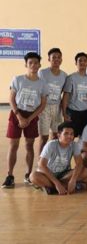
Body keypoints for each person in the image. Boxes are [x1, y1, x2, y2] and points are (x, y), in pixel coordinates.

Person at [3, 52, 49, 188]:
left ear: (39, 65)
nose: (33, 65)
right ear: (26, 65)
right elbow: (11, 99)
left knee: (29, 145)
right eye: (30, 63)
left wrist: (29, 118)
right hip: (17, 113)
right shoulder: (18, 79)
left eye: (36, 63)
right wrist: (19, 116)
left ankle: (28, 174)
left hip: (32, 115)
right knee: (14, 145)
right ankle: (10, 175)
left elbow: (42, 104)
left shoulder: (42, 84)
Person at [29, 122, 87, 195]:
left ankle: (51, 188)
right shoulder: (51, 145)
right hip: (48, 174)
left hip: (64, 174)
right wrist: (57, 183)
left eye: (71, 134)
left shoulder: (74, 145)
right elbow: (41, 165)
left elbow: (79, 164)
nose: (69, 136)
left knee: (85, 171)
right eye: (66, 133)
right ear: (59, 135)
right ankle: (65, 186)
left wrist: (73, 180)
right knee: (33, 176)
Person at [37, 48, 67, 153]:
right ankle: (40, 162)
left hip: (57, 108)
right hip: (44, 108)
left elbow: (63, 93)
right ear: (49, 59)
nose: (56, 59)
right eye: (54, 57)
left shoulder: (64, 75)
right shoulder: (42, 73)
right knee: (44, 137)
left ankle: (51, 160)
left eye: (59, 57)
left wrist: (64, 112)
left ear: (61, 60)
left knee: (56, 136)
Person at [61, 53, 87, 138]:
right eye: (80, 60)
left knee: (84, 137)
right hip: (73, 112)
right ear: (76, 63)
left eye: (84, 61)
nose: (82, 62)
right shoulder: (71, 78)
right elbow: (65, 96)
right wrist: (64, 113)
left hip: (86, 112)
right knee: (70, 136)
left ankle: (81, 151)